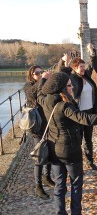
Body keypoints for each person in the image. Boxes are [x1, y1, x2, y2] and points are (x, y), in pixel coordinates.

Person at [37, 72, 97, 215]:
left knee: (59, 186)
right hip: (70, 150)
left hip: (54, 150)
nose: (72, 89)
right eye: (69, 86)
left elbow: (39, 92)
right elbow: (86, 119)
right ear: (61, 89)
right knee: (76, 183)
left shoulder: (45, 101)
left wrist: (44, 78)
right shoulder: (64, 107)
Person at [57, 53, 97, 171]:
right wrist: (63, 62)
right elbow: (60, 75)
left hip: (89, 112)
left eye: (83, 66)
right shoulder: (72, 78)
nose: (83, 68)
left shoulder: (87, 76)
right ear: (75, 68)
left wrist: (92, 54)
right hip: (78, 113)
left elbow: (92, 66)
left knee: (88, 139)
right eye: (80, 66)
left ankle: (90, 161)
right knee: (78, 140)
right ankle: (78, 164)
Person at [24, 65, 54, 199]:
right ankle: (38, 186)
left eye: (41, 72)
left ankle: (47, 177)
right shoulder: (28, 86)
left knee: (49, 152)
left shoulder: (45, 85)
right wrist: (43, 79)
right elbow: (32, 94)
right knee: (39, 155)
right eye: (37, 73)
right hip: (37, 126)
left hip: (48, 124)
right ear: (31, 75)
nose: (40, 75)